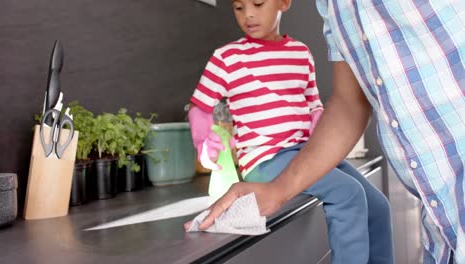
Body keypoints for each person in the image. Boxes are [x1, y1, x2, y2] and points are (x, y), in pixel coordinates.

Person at [194, 0, 465, 263]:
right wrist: (204, 141)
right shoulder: (227, 57)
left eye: (258, 4)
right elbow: (200, 105)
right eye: (239, 8)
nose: (248, 15)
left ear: (283, 3)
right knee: (349, 195)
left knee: (379, 206)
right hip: (266, 158)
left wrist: (316, 120)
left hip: (302, 150)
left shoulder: (300, 53)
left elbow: (314, 103)